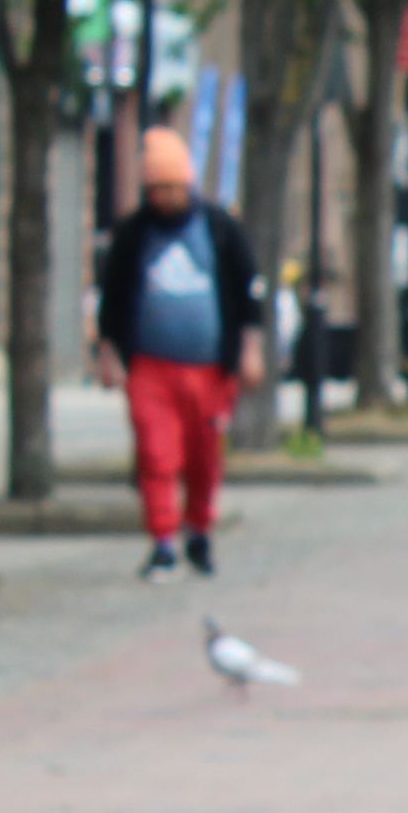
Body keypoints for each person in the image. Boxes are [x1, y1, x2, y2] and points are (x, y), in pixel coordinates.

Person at [87, 129, 257, 583]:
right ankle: (163, 540)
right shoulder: (133, 234)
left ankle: (198, 529)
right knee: (156, 454)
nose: (163, 198)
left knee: (204, 459)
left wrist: (250, 351)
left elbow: (247, 296)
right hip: (150, 367)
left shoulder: (221, 229)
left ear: (188, 184)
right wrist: (108, 353)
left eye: (170, 188)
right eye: (154, 189)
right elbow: (112, 299)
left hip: (209, 369)